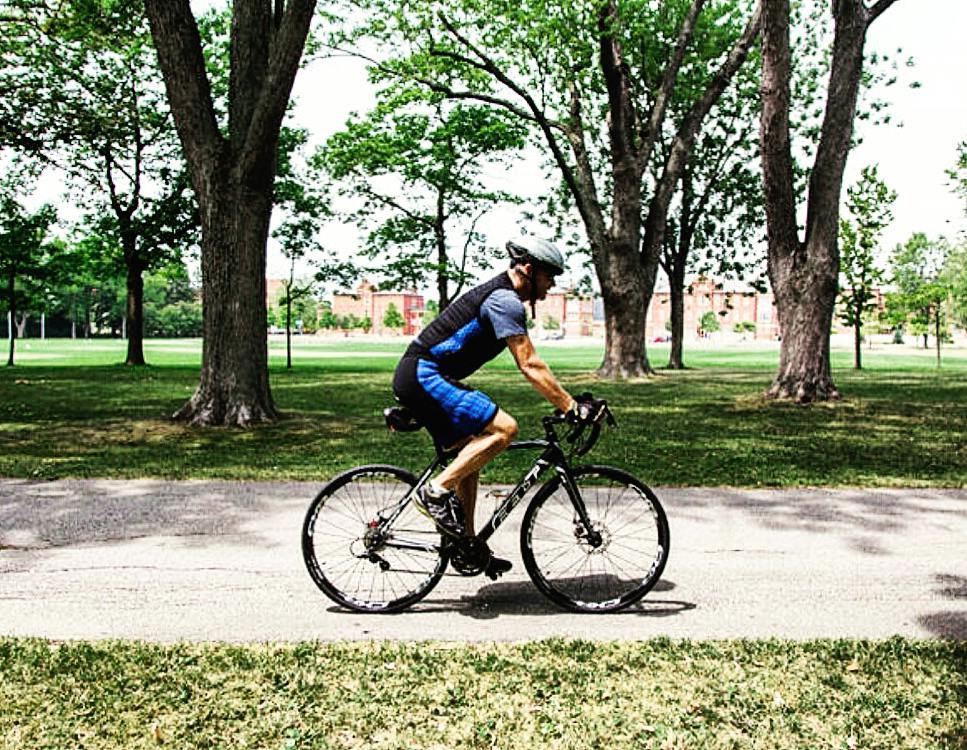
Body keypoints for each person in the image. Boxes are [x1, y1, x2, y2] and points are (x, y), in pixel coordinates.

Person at [392, 236, 588, 573]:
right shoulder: (505, 301)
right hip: (424, 373)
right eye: (549, 275)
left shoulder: (504, 298)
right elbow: (530, 364)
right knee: (505, 428)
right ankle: (435, 492)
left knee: (472, 451)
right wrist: (571, 407)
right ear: (529, 269)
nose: (552, 283)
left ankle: (468, 546)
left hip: (423, 375)